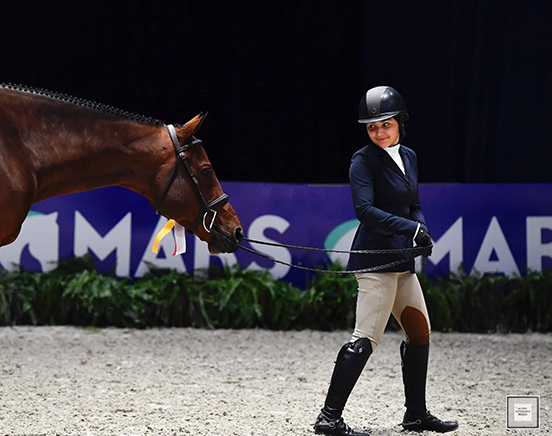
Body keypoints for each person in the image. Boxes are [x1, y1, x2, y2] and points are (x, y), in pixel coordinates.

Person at [313, 86, 458, 435]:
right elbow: (365, 210)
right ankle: (329, 418)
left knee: (419, 333)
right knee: (365, 338)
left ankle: (416, 414)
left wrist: (420, 230)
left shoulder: (408, 156)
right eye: (372, 127)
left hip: (402, 261)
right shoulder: (362, 161)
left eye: (385, 124)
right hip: (376, 261)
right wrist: (411, 229)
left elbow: (414, 202)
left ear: (400, 123)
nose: (379, 132)